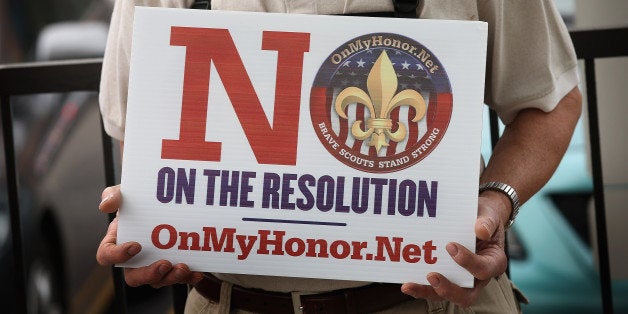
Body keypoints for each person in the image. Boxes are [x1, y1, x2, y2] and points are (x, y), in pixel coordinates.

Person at [96, 0, 582, 313]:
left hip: (437, 305)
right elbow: (138, 134)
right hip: (228, 303)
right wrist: (147, 224)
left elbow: (552, 101)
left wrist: (495, 204)